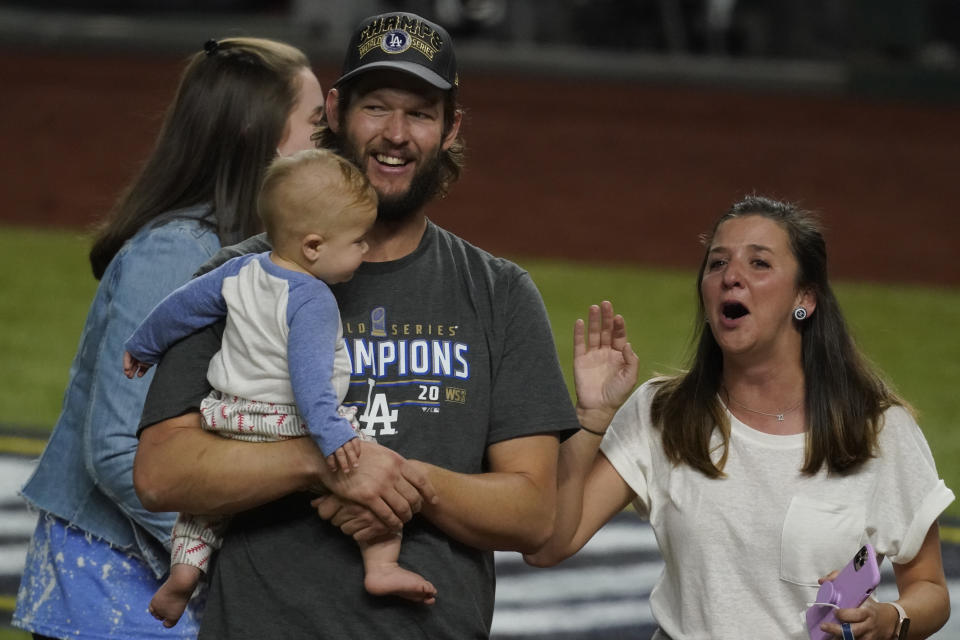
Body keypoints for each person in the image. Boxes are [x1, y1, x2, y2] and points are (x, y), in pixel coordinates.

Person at [133, 11, 580, 639]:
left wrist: (406, 480)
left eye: (421, 113)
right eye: (376, 107)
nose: (396, 134)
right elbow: (160, 473)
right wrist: (324, 462)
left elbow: (533, 513)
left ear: (451, 129)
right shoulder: (241, 276)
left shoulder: (498, 293)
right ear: (337, 111)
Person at [526, 195, 955, 639]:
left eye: (759, 264)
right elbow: (549, 544)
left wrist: (889, 621)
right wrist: (593, 418)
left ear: (804, 298)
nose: (731, 277)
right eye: (716, 264)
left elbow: (928, 588)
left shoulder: (876, 431)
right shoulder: (664, 415)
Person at [14, 37, 323, 640]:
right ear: (257, 136)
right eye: (315, 125)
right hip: (114, 589)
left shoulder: (258, 258)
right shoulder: (175, 253)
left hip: (165, 584)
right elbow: (118, 448)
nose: (327, 146)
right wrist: (226, 555)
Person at [123, 148, 437, 628]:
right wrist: (333, 436)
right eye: (357, 241)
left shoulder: (238, 271)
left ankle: (184, 573)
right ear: (313, 247)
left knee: (205, 506)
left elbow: (180, 308)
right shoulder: (313, 298)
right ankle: (382, 563)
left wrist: (143, 346)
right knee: (372, 470)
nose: (366, 250)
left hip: (225, 416)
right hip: (289, 419)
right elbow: (309, 380)